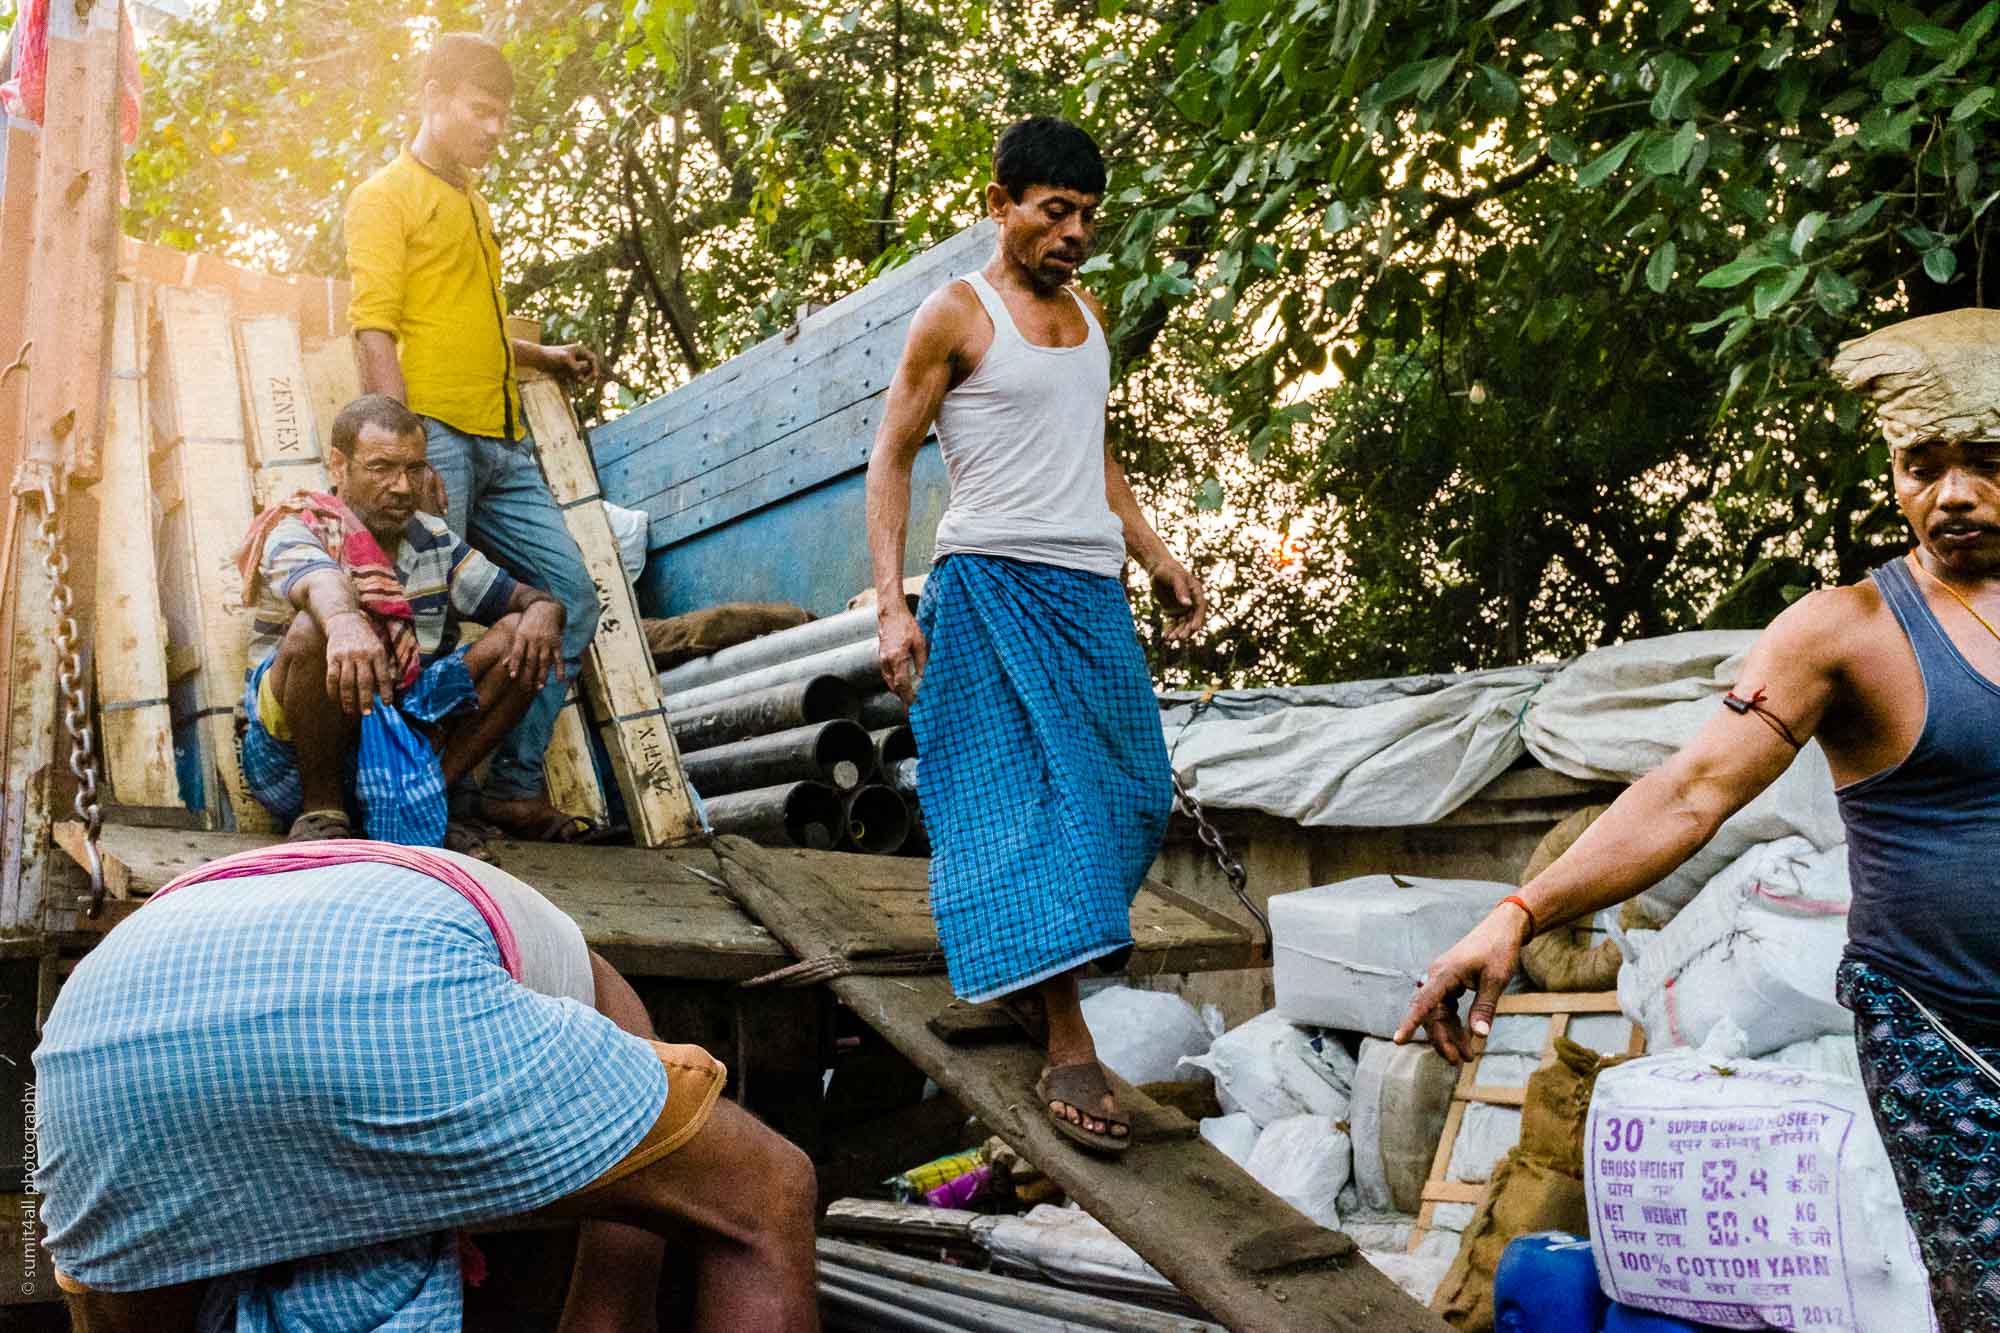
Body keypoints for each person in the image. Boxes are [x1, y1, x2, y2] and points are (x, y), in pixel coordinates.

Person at [1395, 306, 2000, 1327]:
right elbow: (1689, 791)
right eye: (1917, 463)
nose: (1947, 493)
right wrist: (1519, 910)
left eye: (1982, 457)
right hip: (1939, 1037)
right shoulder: (1842, 632)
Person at [33, 839, 820, 1333]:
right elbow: (611, 1308)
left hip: (94, 1038)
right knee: (763, 1195)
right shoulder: (585, 988)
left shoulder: (346, 884)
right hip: (393, 1003)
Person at [865, 117, 1208, 1155]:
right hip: (987, 585)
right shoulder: (954, 318)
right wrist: (891, 602)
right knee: (1025, 804)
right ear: (999, 201)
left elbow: (1089, 452)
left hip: (1087, 592)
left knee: (1132, 792)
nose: (1073, 234)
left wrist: (1152, 554)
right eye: (1054, 212)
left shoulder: (1090, 319)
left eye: (1087, 218)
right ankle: (1064, 1033)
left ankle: (1031, 977)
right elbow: (888, 461)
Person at [345, 31, 610, 844]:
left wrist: (542, 355)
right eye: (480, 111)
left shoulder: (472, 200)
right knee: (420, 627)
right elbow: (374, 330)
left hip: (503, 443)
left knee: (572, 597)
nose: (494, 130)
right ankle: (415, 799)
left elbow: (474, 316)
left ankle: (508, 786)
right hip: (440, 440)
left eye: (503, 117)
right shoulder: (384, 196)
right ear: (432, 96)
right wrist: (409, 454)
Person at [237, 394, 566, 850]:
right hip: (294, 764)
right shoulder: (300, 526)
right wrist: (344, 622)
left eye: (414, 469)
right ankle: (323, 814)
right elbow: (317, 583)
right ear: (339, 465)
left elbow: (520, 598)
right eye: (381, 468)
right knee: (315, 629)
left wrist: (547, 609)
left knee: (521, 636)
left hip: (403, 748)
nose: (402, 486)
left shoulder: (432, 539)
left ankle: (428, 799)